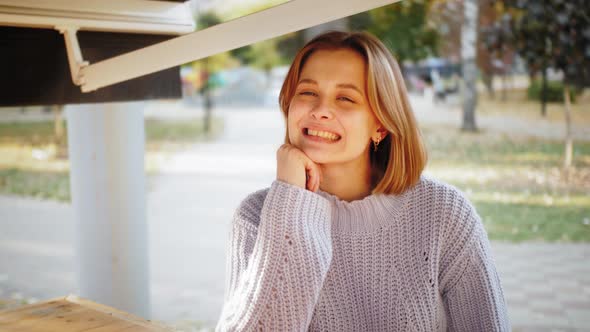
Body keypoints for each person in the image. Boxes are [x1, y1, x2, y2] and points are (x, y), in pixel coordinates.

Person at [215, 31, 510, 331]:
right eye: (307, 93)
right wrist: (291, 205)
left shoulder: (443, 215)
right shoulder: (255, 217)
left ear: (380, 125)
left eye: (345, 98)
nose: (320, 112)